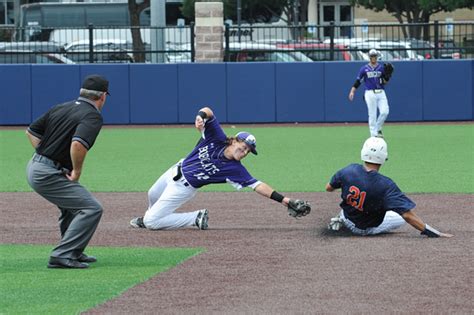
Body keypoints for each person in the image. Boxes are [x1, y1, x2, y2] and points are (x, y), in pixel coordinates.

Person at [130, 106, 307, 230]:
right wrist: (200, 117)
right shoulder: (216, 137)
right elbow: (208, 111)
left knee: (153, 222)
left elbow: (257, 185)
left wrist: (285, 200)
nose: (244, 151)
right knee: (152, 194)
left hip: (184, 188)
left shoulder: (235, 169)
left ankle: (194, 217)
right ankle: (148, 218)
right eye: (244, 146)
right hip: (174, 170)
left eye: (248, 151)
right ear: (234, 140)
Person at [26, 74, 110, 269]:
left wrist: (46, 155)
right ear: (103, 96)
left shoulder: (62, 107)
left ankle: (73, 250)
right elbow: (78, 144)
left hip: (36, 166)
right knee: (91, 208)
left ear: (82, 93)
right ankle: (62, 255)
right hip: (46, 172)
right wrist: (77, 171)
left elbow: (31, 132)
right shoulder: (92, 115)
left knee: (72, 206)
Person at [325, 137, 453, 238]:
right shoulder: (386, 185)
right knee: (398, 216)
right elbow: (408, 216)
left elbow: (329, 188)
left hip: (347, 216)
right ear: (383, 157)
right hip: (363, 229)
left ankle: (341, 219)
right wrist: (433, 232)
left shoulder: (349, 170)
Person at [348, 49, 392, 138]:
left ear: (377, 56)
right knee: (372, 114)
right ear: (369, 57)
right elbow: (358, 81)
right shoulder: (364, 69)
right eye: (372, 56)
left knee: (385, 111)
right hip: (370, 93)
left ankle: (378, 128)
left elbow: (384, 82)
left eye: (375, 56)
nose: (373, 57)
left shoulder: (381, 68)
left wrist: (387, 77)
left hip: (381, 92)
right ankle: (373, 135)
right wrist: (352, 91)